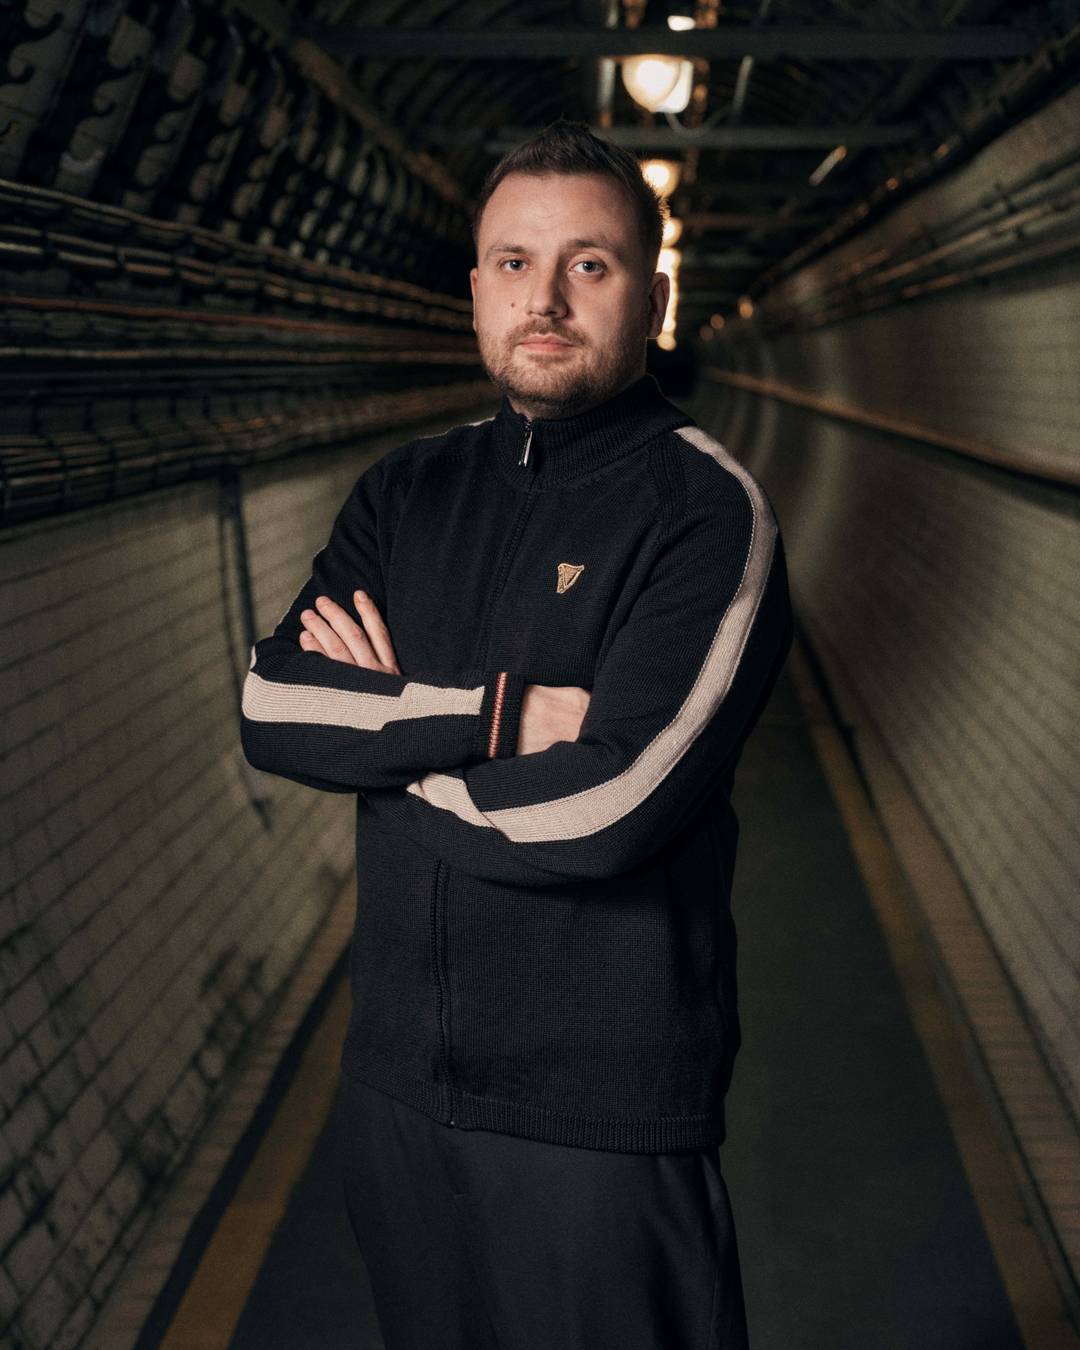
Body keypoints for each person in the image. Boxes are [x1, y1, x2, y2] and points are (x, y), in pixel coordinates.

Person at [240, 118, 793, 1350]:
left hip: (595, 1128)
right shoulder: (406, 491)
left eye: (587, 266)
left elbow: (611, 810)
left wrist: (387, 754)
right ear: (476, 290)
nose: (544, 298)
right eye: (512, 262)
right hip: (397, 1095)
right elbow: (273, 707)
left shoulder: (705, 515)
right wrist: (494, 719)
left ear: (652, 295)